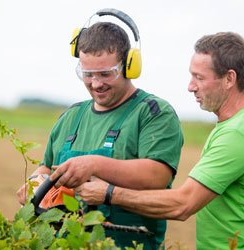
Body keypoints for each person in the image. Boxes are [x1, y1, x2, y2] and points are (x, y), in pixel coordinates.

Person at [74, 32, 244, 249]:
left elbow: (182, 204)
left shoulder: (239, 133)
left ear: (229, 79)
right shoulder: (240, 124)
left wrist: (109, 193)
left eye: (200, 77)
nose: (191, 86)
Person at [16, 10, 184, 250]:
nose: (96, 83)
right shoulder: (71, 116)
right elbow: (47, 166)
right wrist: (34, 182)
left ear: (129, 65)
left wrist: (93, 164)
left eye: (106, 74)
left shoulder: (153, 113)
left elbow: (157, 175)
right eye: (87, 74)